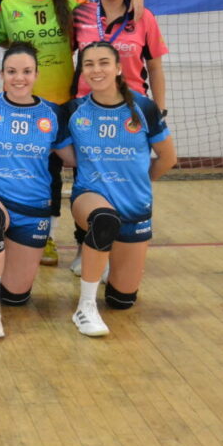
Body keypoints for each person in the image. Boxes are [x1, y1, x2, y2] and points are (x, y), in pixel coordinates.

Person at [0, 0, 146, 267]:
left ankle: (85, 242)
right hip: (27, 106)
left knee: (80, 172)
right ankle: (35, 237)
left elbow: (110, 6)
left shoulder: (75, 6)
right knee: (35, 172)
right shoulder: (10, 6)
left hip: (66, 104)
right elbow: (4, 41)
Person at [0, 42, 75, 338]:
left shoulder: (51, 113)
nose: (18, 78)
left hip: (32, 207)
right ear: (2, 74)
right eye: (11, 71)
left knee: (16, 296)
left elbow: (72, 158)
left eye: (26, 71)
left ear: (36, 74)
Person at [63, 42, 176, 336]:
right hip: (91, 197)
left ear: (117, 68)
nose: (96, 70)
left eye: (103, 63)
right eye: (88, 64)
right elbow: (67, 156)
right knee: (103, 220)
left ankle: (105, 264)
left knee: (122, 301)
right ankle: (85, 307)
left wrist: (139, 180)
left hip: (135, 207)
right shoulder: (74, 110)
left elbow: (167, 158)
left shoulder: (143, 107)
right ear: (82, 71)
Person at [70, 0, 166, 276]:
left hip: (131, 110)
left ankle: (120, 248)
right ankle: (87, 244)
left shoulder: (144, 16)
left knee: (127, 173)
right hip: (88, 109)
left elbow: (154, 66)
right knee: (88, 175)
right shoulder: (81, 14)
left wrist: (160, 107)